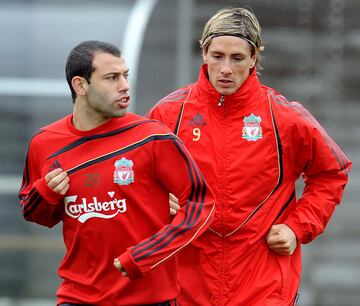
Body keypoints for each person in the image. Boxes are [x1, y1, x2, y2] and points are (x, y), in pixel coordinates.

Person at [147, 6, 352, 306]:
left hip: (263, 284)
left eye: (237, 58)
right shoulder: (168, 113)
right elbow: (136, 178)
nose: (226, 68)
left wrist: (297, 227)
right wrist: (156, 199)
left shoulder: (285, 117)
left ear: (254, 58)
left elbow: (332, 173)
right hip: (187, 283)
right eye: (217, 56)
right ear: (204, 53)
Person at [18, 40, 215, 306]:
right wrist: (45, 192)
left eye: (125, 76)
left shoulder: (153, 137)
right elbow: (34, 213)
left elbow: (202, 204)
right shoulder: (45, 143)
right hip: (77, 298)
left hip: (149, 299)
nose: (124, 86)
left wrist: (147, 254)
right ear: (80, 85)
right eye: (111, 78)